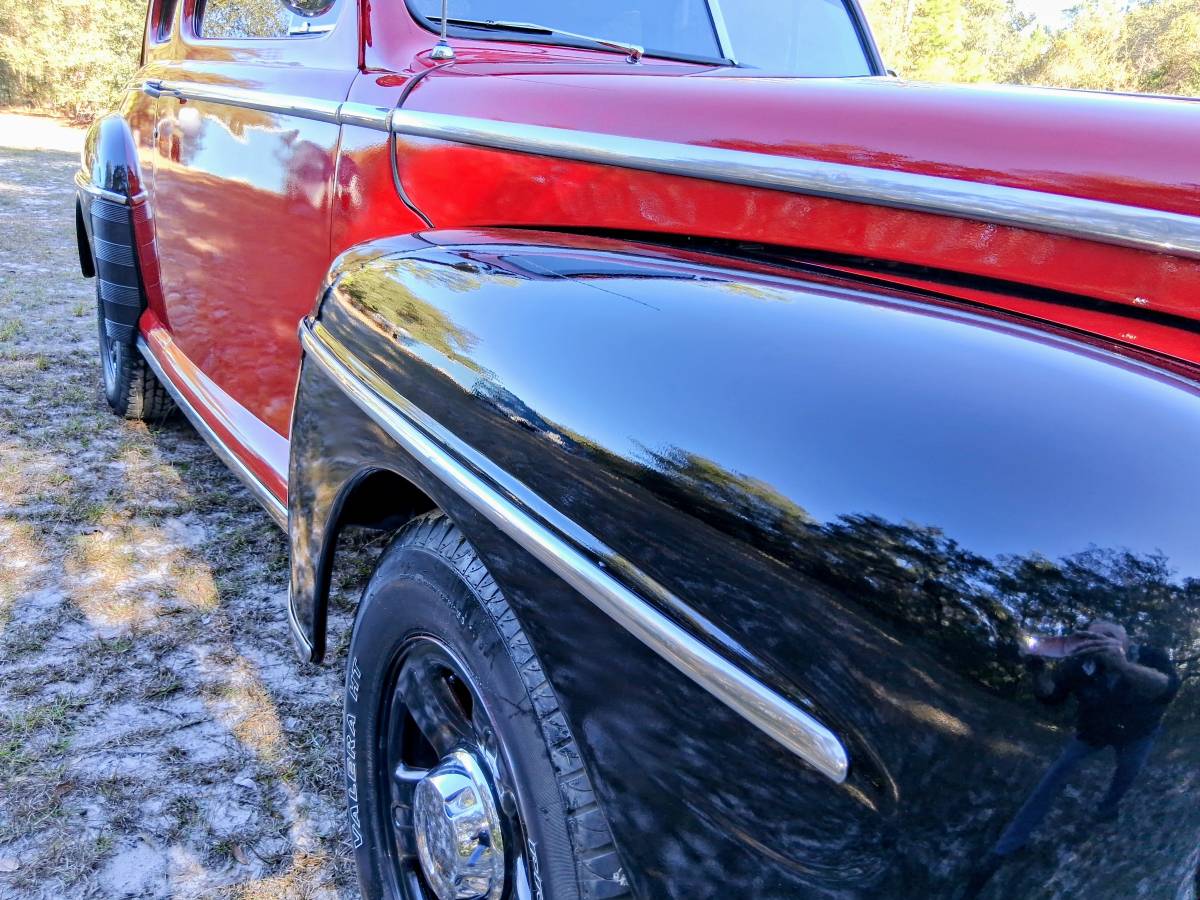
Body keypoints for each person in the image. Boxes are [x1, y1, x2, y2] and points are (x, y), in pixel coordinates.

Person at [965, 620, 1179, 894]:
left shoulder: (1151, 656)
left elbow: (1167, 688)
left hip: (1139, 732)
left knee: (1128, 772)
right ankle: (1002, 851)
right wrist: (1039, 672)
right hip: (1093, 731)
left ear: (1127, 641)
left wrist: (1123, 666)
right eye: (1091, 636)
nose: (1098, 642)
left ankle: (1107, 808)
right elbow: (1051, 697)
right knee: (1052, 779)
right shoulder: (1077, 666)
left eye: (1109, 636)